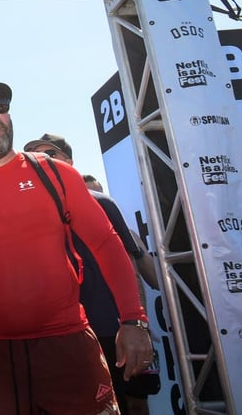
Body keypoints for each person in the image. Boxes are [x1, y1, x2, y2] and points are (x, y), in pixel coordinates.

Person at [0, 79, 153, 414]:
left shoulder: (55, 175)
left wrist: (133, 320)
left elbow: (107, 245)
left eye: (1, 106)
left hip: (67, 343)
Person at [24, 133, 156, 414]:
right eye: (34, 156)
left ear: (69, 161)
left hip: (108, 331)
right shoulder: (24, 210)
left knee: (123, 404)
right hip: (57, 336)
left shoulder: (100, 202)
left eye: (50, 154)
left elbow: (131, 264)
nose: (41, 161)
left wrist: (136, 324)